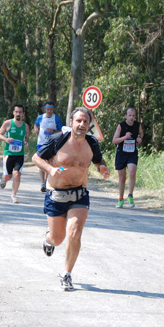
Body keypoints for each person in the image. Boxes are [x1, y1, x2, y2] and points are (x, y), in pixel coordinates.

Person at [32, 107, 110, 291]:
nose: (82, 125)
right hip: (56, 195)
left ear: (89, 124)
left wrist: (103, 169)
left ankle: (66, 274)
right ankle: (48, 240)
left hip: (79, 195)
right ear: (71, 123)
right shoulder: (58, 140)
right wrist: (51, 170)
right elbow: (36, 158)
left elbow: (99, 161)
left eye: (85, 121)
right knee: (58, 238)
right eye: (78, 121)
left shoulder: (91, 143)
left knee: (75, 232)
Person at [0, 104, 30, 204]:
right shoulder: (8, 123)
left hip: (20, 154)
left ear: (23, 114)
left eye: (20, 112)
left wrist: (26, 143)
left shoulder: (26, 126)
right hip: (8, 154)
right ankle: (3, 179)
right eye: (16, 112)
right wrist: (6, 139)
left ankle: (13, 195)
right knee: (8, 176)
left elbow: (27, 138)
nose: (18, 114)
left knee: (17, 174)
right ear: (13, 113)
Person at [111, 107, 143, 208]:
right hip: (121, 153)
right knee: (122, 177)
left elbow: (141, 133)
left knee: (132, 172)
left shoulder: (137, 125)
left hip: (132, 152)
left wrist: (139, 138)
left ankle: (130, 195)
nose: (131, 118)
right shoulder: (121, 126)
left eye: (133, 116)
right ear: (125, 116)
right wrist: (124, 137)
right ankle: (120, 199)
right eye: (129, 115)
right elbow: (114, 141)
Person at [34, 102, 63, 192]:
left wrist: (53, 131)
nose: (49, 111)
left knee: (49, 162)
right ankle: (43, 183)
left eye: (51, 109)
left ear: (53, 110)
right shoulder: (40, 117)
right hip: (41, 143)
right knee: (41, 163)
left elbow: (61, 131)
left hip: (52, 143)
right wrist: (36, 128)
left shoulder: (56, 118)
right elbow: (35, 124)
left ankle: (47, 181)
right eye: (48, 109)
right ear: (45, 109)